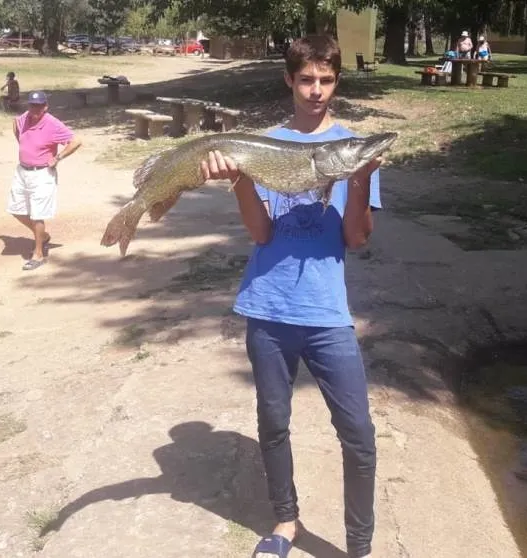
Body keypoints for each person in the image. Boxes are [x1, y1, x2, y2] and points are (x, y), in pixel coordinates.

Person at [199, 35, 382, 558]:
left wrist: (362, 179)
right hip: (268, 308)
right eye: (307, 79)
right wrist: (238, 181)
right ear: (289, 80)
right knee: (273, 423)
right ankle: (286, 522)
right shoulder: (263, 145)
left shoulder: (353, 147)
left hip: (328, 315)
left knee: (359, 435)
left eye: (326, 80)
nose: (316, 90)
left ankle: (360, 547)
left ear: (336, 81)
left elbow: (357, 239)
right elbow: (260, 235)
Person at [7, 91, 83, 271]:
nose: (34, 109)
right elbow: (15, 123)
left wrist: (58, 157)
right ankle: (43, 236)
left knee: (37, 214)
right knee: (15, 209)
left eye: (38, 106)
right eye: (32, 105)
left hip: (42, 174)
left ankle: (38, 254)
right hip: (22, 170)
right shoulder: (25, 117)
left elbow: (76, 141)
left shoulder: (53, 124)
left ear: (45, 107)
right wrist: (23, 143)